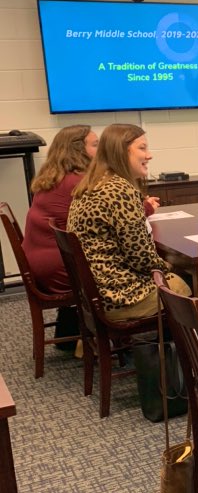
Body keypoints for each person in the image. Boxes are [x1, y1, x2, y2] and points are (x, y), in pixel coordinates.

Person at [67, 124, 190, 322]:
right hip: (121, 296)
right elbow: (141, 258)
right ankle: (183, 340)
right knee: (185, 284)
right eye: (142, 148)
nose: (149, 155)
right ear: (121, 152)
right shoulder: (119, 190)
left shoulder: (92, 183)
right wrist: (171, 265)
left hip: (96, 292)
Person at [22, 125, 99, 345]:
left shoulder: (52, 178)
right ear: (78, 150)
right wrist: (146, 207)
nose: (101, 150)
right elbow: (107, 219)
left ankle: (68, 332)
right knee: (126, 267)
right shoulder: (77, 183)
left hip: (40, 264)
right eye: (95, 145)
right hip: (61, 270)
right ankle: (117, 333)